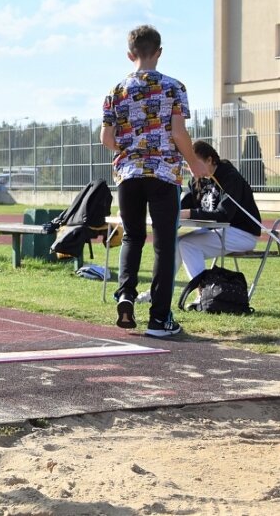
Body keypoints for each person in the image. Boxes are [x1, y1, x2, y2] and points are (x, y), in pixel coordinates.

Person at [101, 25, 207, 338]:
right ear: (159, 51)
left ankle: (125, 295)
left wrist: (130, 150)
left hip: (128, 175)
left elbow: (106, 137)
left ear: (129, 54)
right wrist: (194, 162)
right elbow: (177, 132)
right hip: (164, 173)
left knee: (133, 236)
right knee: (164, 243)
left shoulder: (116, 91)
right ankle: (160, 319)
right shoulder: (174, 87)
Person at [177, 140, 261, 300]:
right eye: (188, 166)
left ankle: (204, 295)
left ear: (210, 160)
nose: (192, 170)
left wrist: (188, 214)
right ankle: (159, 292)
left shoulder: (230, 177)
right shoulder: (196, 180)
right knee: (175, 244)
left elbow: (223, 215)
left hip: (242, 233)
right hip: (218, 231)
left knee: (186, 244)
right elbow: (181, 208)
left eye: (195, 164)